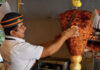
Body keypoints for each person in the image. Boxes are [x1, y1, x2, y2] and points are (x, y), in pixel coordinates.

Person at [0, 12, 79, 70]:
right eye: (21, 27)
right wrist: (65, 36)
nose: (25, 28)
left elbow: (36, 48)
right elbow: (48, 52)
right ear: (13, 32)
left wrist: (56, 40)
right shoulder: (18, 48)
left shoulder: (6, 43)